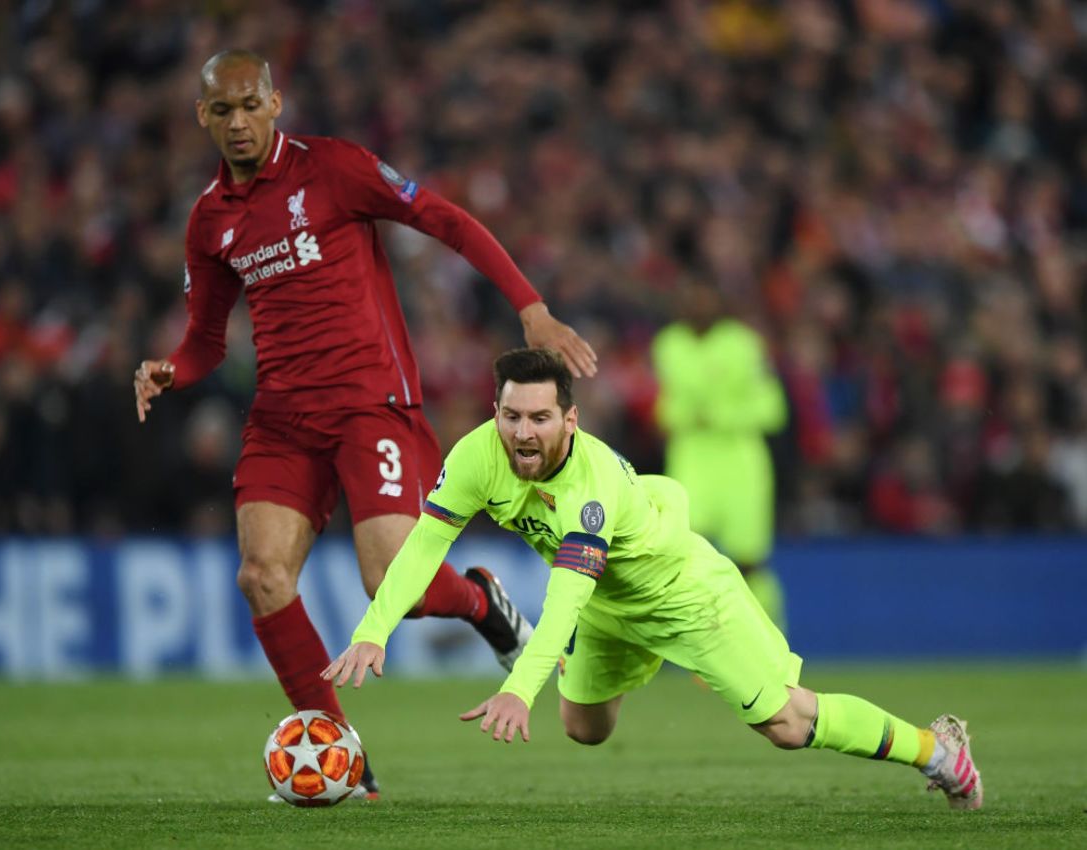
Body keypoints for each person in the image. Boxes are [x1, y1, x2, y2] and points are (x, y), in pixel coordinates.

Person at [132, 50, 597, 800]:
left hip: (370, 404)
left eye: (251, 104)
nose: (239, 122)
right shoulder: (209, 220)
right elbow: (206, 341)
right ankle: (340, 752)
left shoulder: (335, 169)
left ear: (276, 103)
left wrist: (531, 307)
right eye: (223, 110)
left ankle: (479, 601)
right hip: (283, 419)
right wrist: (170, 370)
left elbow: (442, 218)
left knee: (394, 585)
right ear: (202, 118)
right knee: (261, 576)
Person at [323, 348, 983, 811]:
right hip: (609, 609)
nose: (521, 433)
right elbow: (424, 543)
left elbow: (566, 596)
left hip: (685, 598)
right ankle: (530, 628)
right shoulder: (476, 455)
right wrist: (372, 629)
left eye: (539, 419)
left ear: (569, 421)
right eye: (511, 416)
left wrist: (518, 687)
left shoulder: (591, 486)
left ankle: (937, 751)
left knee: (784, 722)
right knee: (586, 730)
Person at [651, 279, 788, 627]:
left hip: (740, 460)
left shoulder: (743, 344)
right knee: (679, 556)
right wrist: (680, 416)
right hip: (690, 460)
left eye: (704, 297)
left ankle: (767, 642)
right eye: (690, 298)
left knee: (748, 561)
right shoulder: (668, 345)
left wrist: (720, 416)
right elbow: (661, 406)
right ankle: (689, 639)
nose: (697, 305)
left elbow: (773, 407)